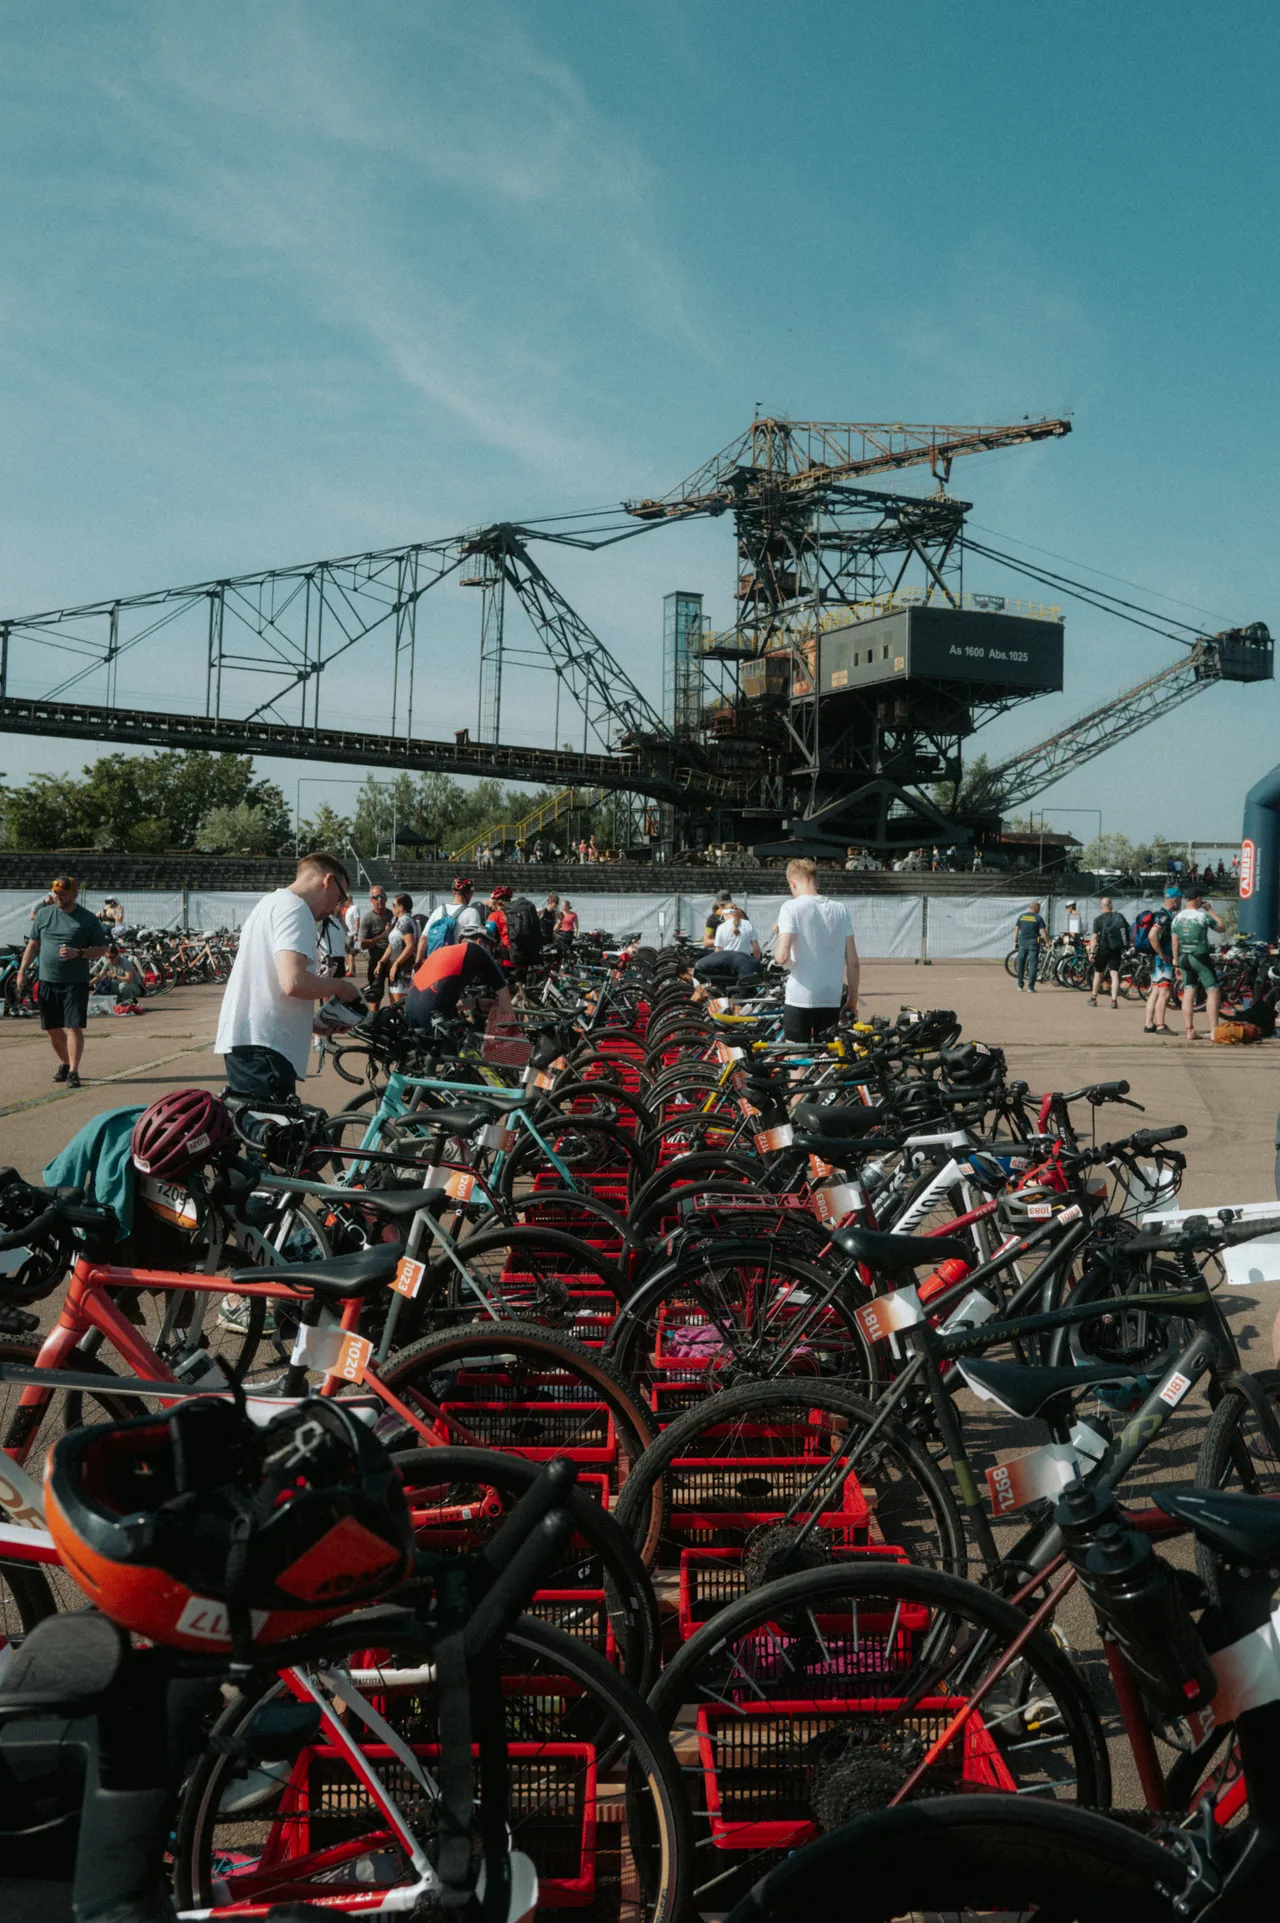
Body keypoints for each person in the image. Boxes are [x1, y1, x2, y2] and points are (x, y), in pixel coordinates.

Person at [213, 852, 360, 1102]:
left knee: (262, 1121)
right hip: (265, 1048)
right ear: (328, 881)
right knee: (271, 1124)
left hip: (255, 1041)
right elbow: (293, 982)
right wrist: (341, 987)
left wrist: (312, 1024)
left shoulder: (271, 903)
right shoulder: (296, 909)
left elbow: (272, 984)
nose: (336, 907)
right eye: (340, 896)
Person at [16, 875, 112, 1088]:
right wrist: (22, 971)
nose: (59, 897)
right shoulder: (44, 914)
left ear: (74, 894)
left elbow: (101, 949)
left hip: (74, 981)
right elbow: (33, 944)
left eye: (63, 894)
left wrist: (79, 952)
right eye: (56, 893)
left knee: (73, 1026)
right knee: (52, 1028)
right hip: (47, 980)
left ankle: (74, 1072)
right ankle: (66, 1064)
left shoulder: (87, 919)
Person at [775, 857, 859, 1041]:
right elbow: (853, 962)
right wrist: (852, 1000)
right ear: (816, 882)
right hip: (830, 997)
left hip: (800, 997)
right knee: (826, 1054)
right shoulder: (840, 909)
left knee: (797, 1055)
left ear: (792, 883)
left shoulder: (790, 907)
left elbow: (781, 957)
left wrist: (779, 935)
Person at [404, 925, 516, 1042]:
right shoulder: (478, 950)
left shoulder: (441, 952)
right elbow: (504, 994)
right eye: (491, 948)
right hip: (435, 1018)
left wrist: (475, 1003)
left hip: (410, 1014)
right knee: (472, 1046)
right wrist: (512, 1033)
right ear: (480, 941)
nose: (491, 953)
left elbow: (436, 1000)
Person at [1172, 888, 1226, 1042]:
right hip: (1200, 957)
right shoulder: (1202, 915)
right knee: (1213, 992)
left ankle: (1189, 1030)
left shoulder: (1177, 918)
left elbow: (1175, 941)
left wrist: (1176, 963)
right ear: (1197, 899)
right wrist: (1210, 910)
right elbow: (1222, 927)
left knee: (1188, 993)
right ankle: (1214, 1031)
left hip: (1183, 957)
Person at [418, 877, 484, 962]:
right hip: (456, 963)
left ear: (453, 892)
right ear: (468, 894)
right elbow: (474, 943)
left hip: (434, 962)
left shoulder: (438, 910)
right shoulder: (472, 912)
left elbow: (423, 938)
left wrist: (417, 962)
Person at [1143, 888, 1180, 1035]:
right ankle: (1160, 1026)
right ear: (1174, 899)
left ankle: (1149, 1024)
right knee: (1164, 992)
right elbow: (1153, 935)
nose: (1180, 902)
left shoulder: (1160, 914)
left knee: (1156, 991)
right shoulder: (1164, 917)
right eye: (1179, 899)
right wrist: (1162, 954)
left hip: (1156, 959)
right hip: (1162, 960)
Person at [1087, 896, 1130, 1008]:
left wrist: (1091, 952)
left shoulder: (1098, 919)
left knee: (1098, 973)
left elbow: (1094, 937)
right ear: (1111, 905)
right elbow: (1127, 930)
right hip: (1115, 949)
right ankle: (1114, 1001)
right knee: (1114, 974)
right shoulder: (1119, 916)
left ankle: (1093, 998)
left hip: (1103, 949)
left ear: (1101, 906)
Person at [379, 892, 418, 1001]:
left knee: (399, 1007)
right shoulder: (399, 921)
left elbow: (410, 946)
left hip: (403, 971)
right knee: (395, 1005)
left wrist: (396, 964)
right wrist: (381, 962)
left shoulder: (405, 921)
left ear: (401, 907)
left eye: (393, 905)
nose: (392, 908)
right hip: (397, 970)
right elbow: (392, 945)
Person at [358, 885, 392, 1007]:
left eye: (382, 896)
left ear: (386, 898)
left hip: (393, 962)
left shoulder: (393, 915)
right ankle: (373, 1018)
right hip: (376, 962)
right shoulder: (368, 919)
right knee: (375, 998)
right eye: (376, 897)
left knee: (396, 995)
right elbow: (363, 945)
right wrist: (382, 936)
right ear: (371, 900)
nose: (380, 899)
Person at [1013, 900, 1046, 993]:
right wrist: (1047, 942)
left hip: (1022, 942)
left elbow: (1016, 929)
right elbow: (1043, 931)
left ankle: (1020, 986)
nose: (1039, 911)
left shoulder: (1022, 916)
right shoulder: (1038, 918)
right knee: (1033, 964)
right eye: (1039, 909)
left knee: (1021, 963)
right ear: (1036, 908)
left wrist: (1015, 940)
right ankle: (1030, 987)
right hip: (1033, 942)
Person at [317, 894, 350, 978]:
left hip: (340, 960)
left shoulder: (339, 921)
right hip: (329, 961)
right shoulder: (323, 919)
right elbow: (311, 930)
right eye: (339, 901)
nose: (343, 903)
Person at [343, 895, 361, 963]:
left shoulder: (354, 908)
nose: (344, 902)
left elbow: (357, 920)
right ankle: (348, 967)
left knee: (350, 952)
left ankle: (351, 968)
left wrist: (356, 934)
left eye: (344, 900)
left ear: (348, 900)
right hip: (347, 933)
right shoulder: (348, 908)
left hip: (351, 934)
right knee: (347, 952)